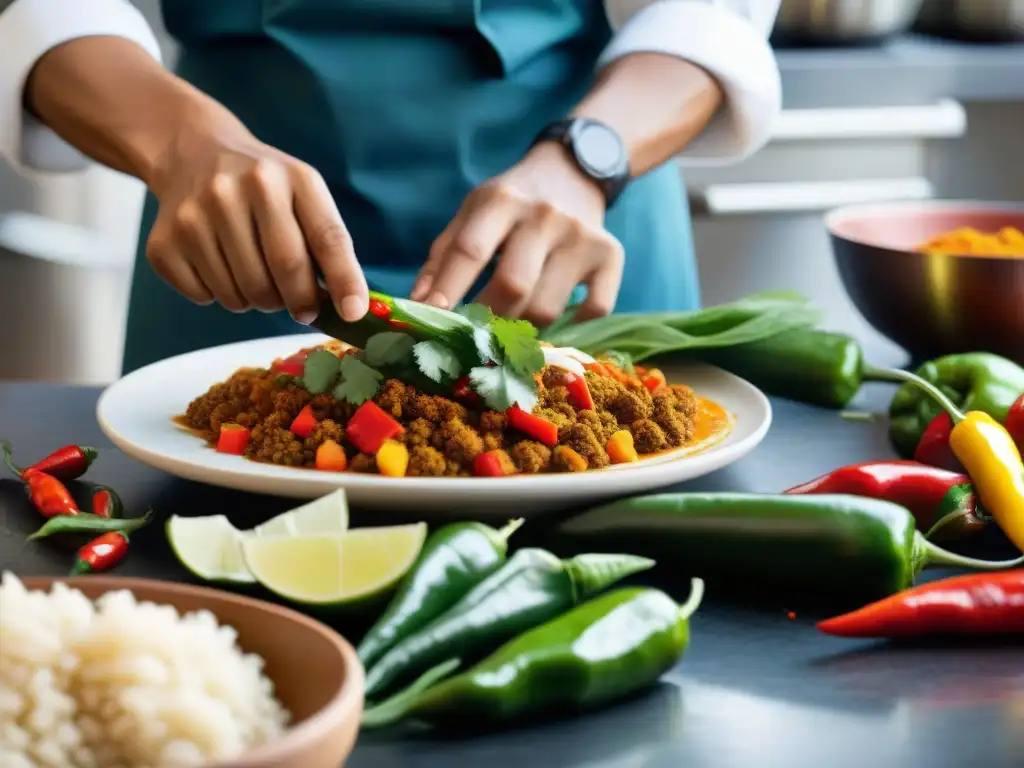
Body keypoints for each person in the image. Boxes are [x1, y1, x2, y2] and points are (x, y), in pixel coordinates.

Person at [0, 0, 781, 374]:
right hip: (235, 245)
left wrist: (587, 158)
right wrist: (179, 143)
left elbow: (707, 14)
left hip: (571, 228)